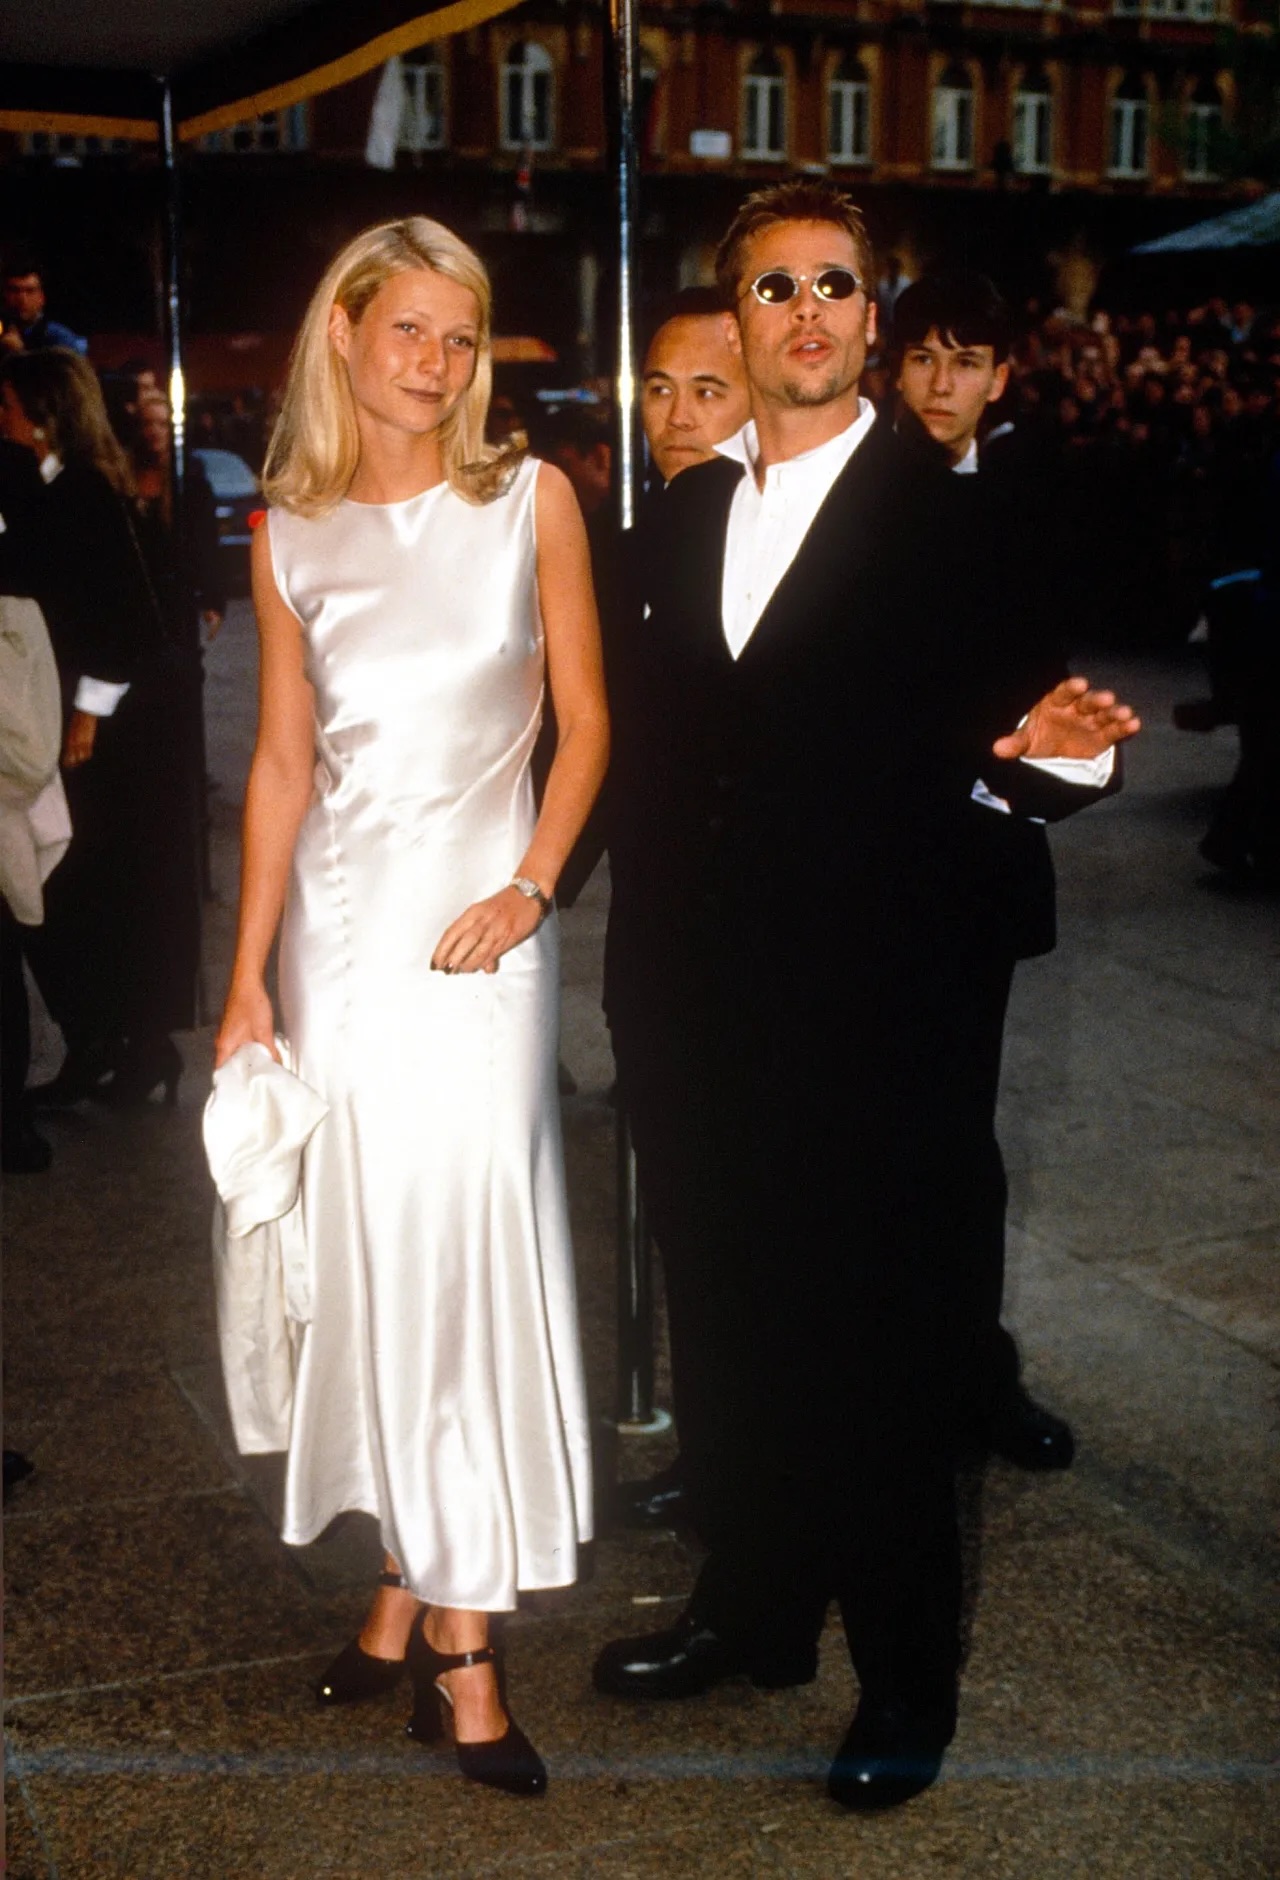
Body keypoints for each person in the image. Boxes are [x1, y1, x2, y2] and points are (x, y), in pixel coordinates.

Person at [594, 181, 1139, 1811]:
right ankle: (753, 1608)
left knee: (883, 1347)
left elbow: (1030, 743)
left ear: (873, 320)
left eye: (835, 285)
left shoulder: (956, 523)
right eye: (776, 288)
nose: (808, 313)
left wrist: (1065, 758)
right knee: (729, 1318)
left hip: (874, 1015)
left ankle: (906, 1681)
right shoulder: (683, 519)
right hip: (691, 1003)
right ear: (738, 317)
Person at [213, 216, 608, 1799]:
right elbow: (280, 767)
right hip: (345, 944)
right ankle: (408, 1583)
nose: (438, 363)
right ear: (346, 334)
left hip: (485, 936)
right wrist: (244, 978)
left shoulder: (530, 500)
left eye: (462, 335)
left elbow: (586, 725)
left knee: (469, 1253)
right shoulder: (288, 534)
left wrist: (533, 886)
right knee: (379, 1256)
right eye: (410, 331)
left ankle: (464, 1641)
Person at [892, 269, 1086, 1469]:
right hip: (859, 869)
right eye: (920, 356)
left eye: (963, 361)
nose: (938, 382)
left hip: (970, 869)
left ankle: (972, 1369)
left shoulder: (1026, 503)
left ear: (999, 378)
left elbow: (1041, 682)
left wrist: (1047, 761)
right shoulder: (848, 496)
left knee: (959, 1139)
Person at [613, 287, 750, 1532]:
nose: (675, 414)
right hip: (655, 948)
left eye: (706, 388)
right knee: (689, 1229)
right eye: (657, 388)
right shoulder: (639, 536)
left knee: (772, 1243)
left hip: (775, 958)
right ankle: (715, 1466)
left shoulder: (787, 540)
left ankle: (773, 1491)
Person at [0, 348, 193, 1109]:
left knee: (89, 893)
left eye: (7, 406)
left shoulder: (81, 492)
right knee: (97, 894)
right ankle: (125, 1046)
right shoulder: (66, 487)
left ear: (43, 417)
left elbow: (128, 616)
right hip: (98, 725)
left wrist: (88, 711)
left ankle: (113, 1046)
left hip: (107, 730)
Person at [1, 254, 88, 356]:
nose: (22, 299)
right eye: (15, 291)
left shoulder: (59, 338)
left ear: (41, 297)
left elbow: (70, 365)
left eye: (30, 291)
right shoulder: (4, 328)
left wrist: (19, 353)